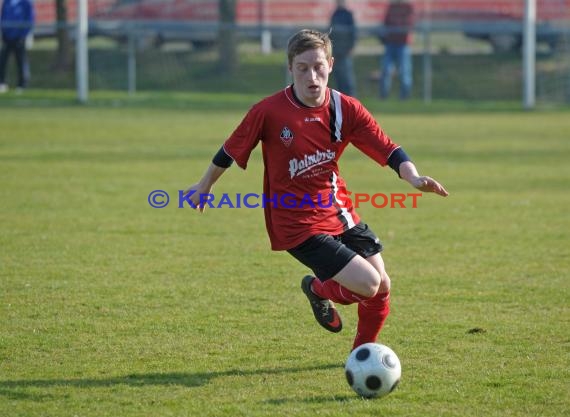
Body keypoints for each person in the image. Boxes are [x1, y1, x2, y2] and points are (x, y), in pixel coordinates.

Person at [184, 29, 448, 351]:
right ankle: (321, 290)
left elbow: (389, 149)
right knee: (368, 284)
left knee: (382, 286)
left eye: (318, 66)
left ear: (331, 65)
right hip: (295, 223)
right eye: (302, 68)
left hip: (337, 208)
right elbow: (229, 149)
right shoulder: (269, 112)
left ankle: (360, 353)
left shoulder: (345, 108)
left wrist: (414, 178)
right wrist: (204, 186)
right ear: (290, 69)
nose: (312, 76)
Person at [379, 0, 414, 100]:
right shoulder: (392, 7)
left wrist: (398, 28)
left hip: (403, 44)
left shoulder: (408, 7)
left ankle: (404, 98)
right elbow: (386, 23)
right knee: (386, 69)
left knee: (405, 71)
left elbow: (409, 24)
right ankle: (383, 97)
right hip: (390, 44)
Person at [0, 0, 34, 93]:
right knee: (3, 60)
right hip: (7, 37)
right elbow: (2, 17)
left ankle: (22, 84)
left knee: (21, 61)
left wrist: (23, 35)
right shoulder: (7, 2)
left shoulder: (26, 3)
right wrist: (3, 33)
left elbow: (30, 19)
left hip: (19, 38)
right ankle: (2, 83)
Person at [329, 0, 357, 97]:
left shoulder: (348, 15)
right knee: (338, 77)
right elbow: (331, 32)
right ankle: (341, 98)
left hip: (345, 50)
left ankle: (351, 98)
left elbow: (353, 32)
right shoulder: (335, 14)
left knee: (347, 77)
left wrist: (351, 47)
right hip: (336, 51)